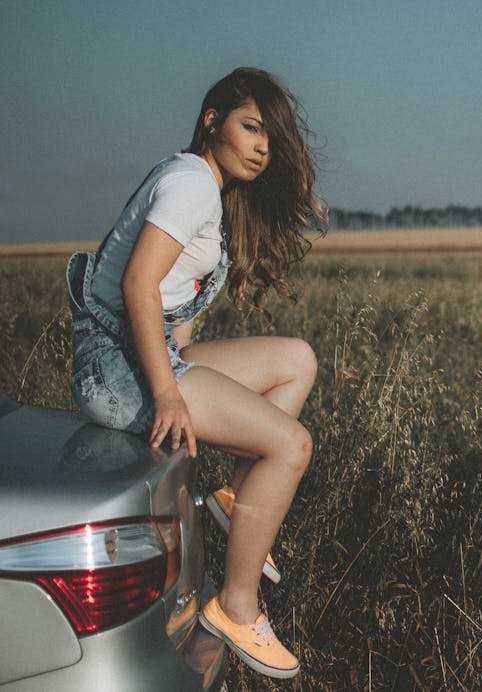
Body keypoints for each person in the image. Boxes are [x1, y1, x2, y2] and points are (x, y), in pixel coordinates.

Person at [66, 67, 326, 679]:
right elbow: (138, 284)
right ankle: (236, 607)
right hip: (118, 368)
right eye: (251, 127)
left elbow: (171, 311)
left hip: (139, 352)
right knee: (291, 446)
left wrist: (184, 375)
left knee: (296, 360)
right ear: (212, 119)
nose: (262, 147)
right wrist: (169, 394)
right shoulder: (191, 184)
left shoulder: (202, 184)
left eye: (271, 138)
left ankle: (239, 503)